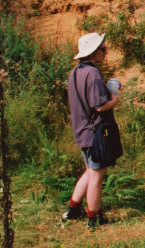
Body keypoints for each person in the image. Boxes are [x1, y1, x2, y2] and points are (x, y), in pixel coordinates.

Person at [62, 32, 121, 229]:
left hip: (82, 131)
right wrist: (114, 100)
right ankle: (93, 219)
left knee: (90, 170)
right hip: (95, 133)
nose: (106, 52)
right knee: (97, 175)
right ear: (94, 52)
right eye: (103, 49)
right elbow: (99, 106)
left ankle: (72, 209)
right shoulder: (93, 73)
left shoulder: (75, 72)